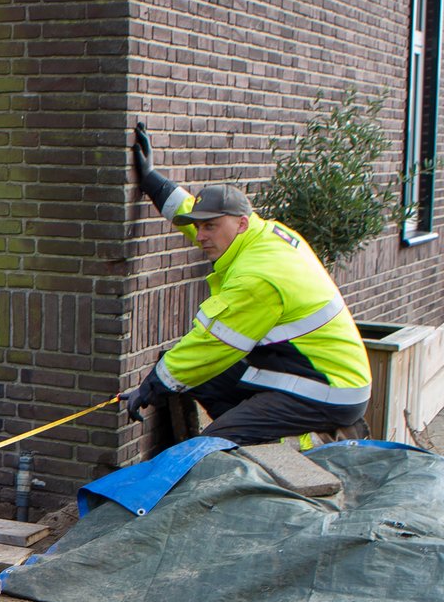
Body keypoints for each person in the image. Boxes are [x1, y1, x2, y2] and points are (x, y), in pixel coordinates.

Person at [127, 125, 372, 446]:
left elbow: (214, 342)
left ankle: (262, 451)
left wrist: (154, 384)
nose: (201, 235)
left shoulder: (257, 276)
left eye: (210, 227)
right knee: (194, 378)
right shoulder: (261, 234)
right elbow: (199, 216)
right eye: (199, 226)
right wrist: (153, 182)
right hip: (304, 370)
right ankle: (263, 443)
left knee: (213, 446)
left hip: (326, 389)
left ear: (241, 223)